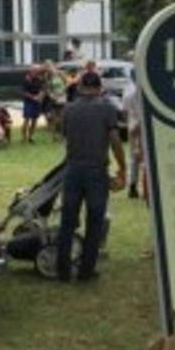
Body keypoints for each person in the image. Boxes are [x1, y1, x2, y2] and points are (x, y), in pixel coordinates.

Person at [56, 71, 127, 282]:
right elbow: (114, 140)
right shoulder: (107, 108)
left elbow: (65, 134)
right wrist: (123, 168)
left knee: (67, 222)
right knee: (94, 222)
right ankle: (86, 270)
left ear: (79, 88)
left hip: (72, 169)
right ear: (99, 87)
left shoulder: (68, 109)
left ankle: (63, 270)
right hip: (96, 171)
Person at [21, 66, 46, 143]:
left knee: (35, 119)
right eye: (36, 71)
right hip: (28, 101)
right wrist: (33, 97)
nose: (37, 72)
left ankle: (31, 137)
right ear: (31, 71)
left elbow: (43, 89)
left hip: (37, 101)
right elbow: (23, 92)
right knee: (27, 119)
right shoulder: (25, 79)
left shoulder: (39, 79)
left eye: (38, 71)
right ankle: (24, 137)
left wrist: (40, 96)